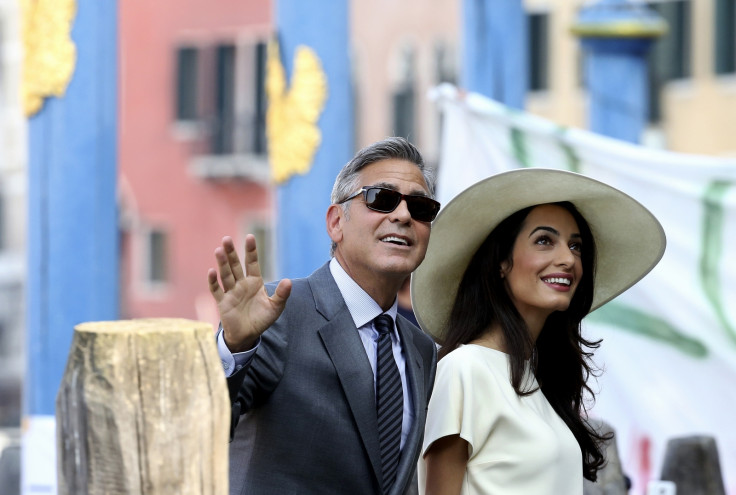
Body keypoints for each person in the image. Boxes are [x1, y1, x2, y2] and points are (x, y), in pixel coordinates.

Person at [410, 168, 666, 495]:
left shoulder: (541, 383)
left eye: (576, 246)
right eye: (545, 241)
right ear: (501, 262)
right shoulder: (465, 370)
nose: (567, 259)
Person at [208, 137, 440, 495]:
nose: (403, 216)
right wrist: (235, 347)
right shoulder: (278, 314)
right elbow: (207, 424)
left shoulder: (422, 349)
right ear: (336, 222)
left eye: (421, 207)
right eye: (382, 198)